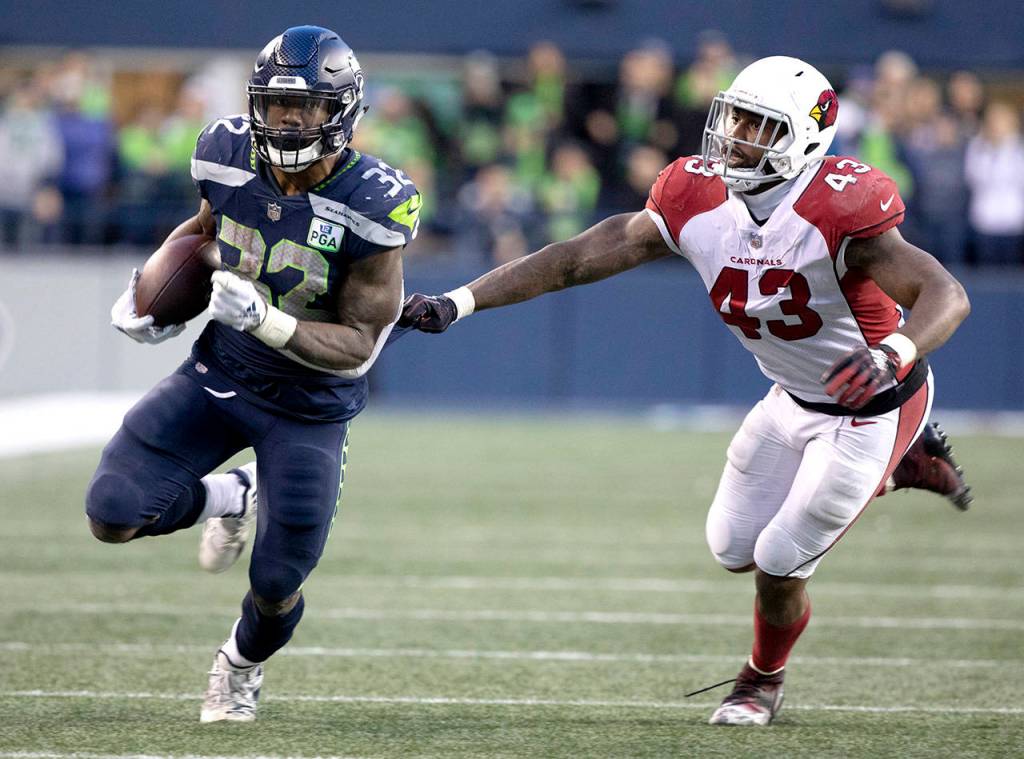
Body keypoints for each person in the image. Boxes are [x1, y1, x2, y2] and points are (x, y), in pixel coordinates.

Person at [399, 56, 972, 726]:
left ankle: (760, 680)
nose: (735, 137)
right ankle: (900, 470)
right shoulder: (696, 195)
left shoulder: (839, 207)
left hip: (872, 404)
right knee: (731, 546)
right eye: (734, 118)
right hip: (789, 397)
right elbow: (580, 255)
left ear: (806, 140)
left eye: (759, 127)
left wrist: (893, 350)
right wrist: (460, 300)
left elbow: (945, 294)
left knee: (779, 560)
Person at [85, 26, 420, 722]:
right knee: (113, 512)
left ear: (345, 111)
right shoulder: (225, 152)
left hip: (310, 403)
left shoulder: (375, 203)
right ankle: (231, 497)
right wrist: (152, 292)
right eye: (275, 105)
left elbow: (360, 343)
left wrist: (268, 320)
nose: (289, 122)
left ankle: (239, 664)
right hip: (223, 371)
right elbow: (206, 229)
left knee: (275, 583)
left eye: (308, 108)